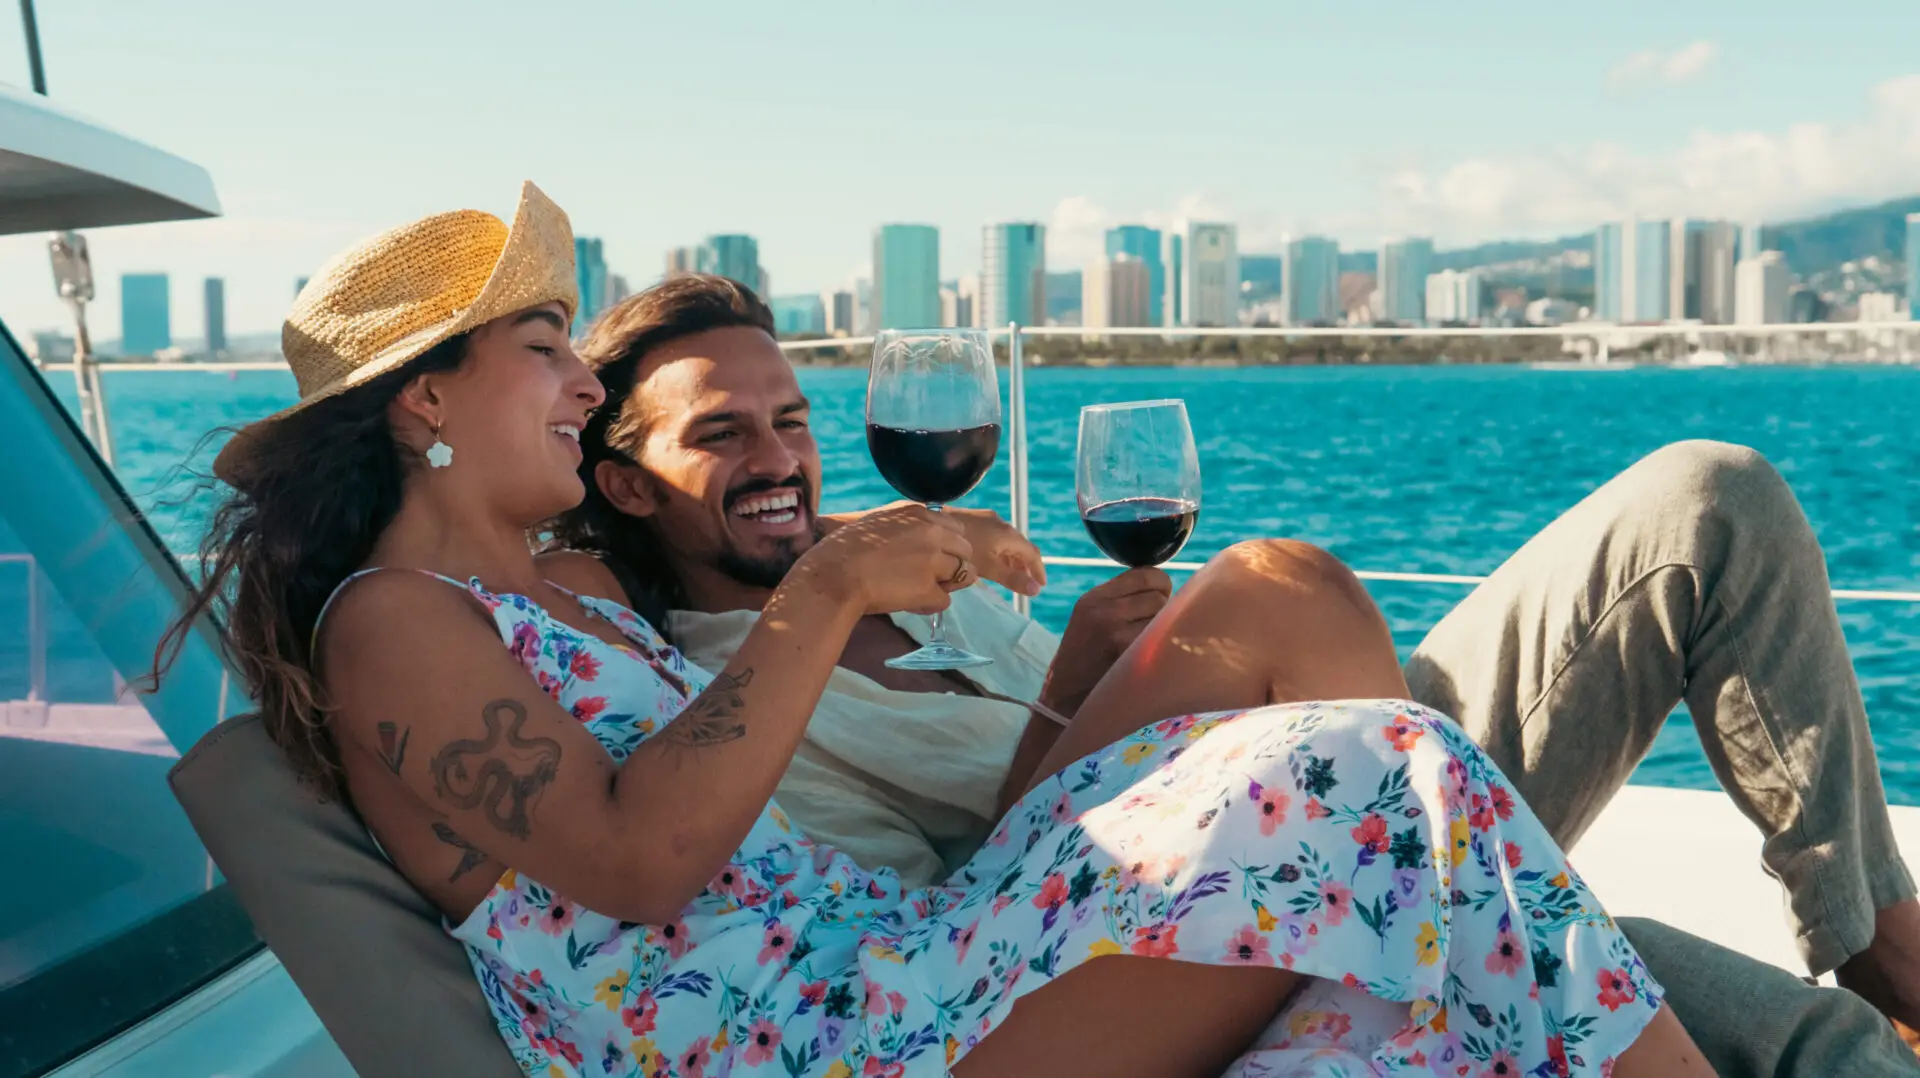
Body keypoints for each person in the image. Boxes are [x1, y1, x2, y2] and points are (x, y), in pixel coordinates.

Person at [157, 186, 1714, 1078]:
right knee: (1391, 781)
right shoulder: (390, 625)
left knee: (1386, 942)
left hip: (886, 962)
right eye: (547, 347)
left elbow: (708, 529)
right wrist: (828, 595)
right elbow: (635, 863)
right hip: (803, 1041)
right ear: (424, 396)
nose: (580, 382)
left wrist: (862, 559)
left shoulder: (563, 582)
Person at [550, 272, 1920, 1075]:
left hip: (1341, 761)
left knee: (1705, 497)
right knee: (1726, 1007)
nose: (778, 456)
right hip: (1230, 871)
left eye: (791, 418)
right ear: (622, 479)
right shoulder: (722, 692)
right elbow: (949, 924)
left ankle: (1871, 931)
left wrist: (1075, 652)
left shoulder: (909, 566)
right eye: (719, 435)